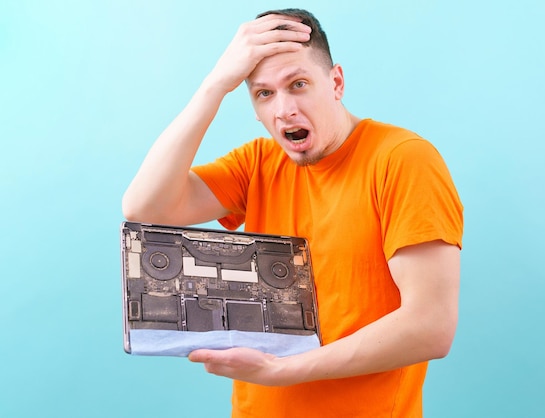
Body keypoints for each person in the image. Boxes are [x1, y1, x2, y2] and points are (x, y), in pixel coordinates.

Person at [122, 8, 463, 418]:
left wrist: (282, 371)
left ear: (336, 82)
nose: (283, 110)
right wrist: (215, 84)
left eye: (298, 84)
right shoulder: (258, 164)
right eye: (264, 93)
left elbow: (430, 327)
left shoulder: (403, 160)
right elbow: (144, 207)